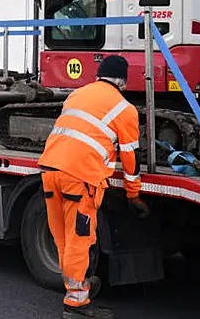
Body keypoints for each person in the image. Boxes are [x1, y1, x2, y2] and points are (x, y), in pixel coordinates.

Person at [37, 55, 150, 319]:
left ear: (99, 75)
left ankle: (77, 286)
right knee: (80, 240)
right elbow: (130, 158)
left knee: (63, 239)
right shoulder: (125, 109)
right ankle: (76, 303)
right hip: (80, 178)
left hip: (50, 171)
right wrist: (133, 196)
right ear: (122, 80)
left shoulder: (76, 95)